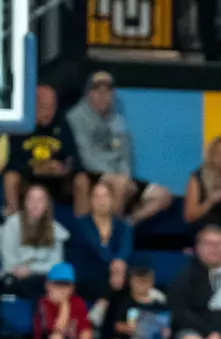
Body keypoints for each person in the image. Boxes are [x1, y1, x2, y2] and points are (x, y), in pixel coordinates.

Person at [67, 72, 172, 225]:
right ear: (89, 93)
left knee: (163, 195)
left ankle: (126, 225)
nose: (103, 96)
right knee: (120, 183)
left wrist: (126, 178)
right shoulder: (76, 117)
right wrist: (114, 177)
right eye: (98, 91)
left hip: (117, 176)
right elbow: (86, 156)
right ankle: (109, 234)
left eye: (107, 92)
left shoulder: (118, 120)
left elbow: (125, 156)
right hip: (91, 173)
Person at [4, 84, 90, 216]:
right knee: (10, 178)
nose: (49, 113)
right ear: (33, 105)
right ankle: (13, 222)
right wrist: (36, 168)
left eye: (52, 107)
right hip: (28, 178)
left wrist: (64, 169)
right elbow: (13, 163)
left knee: (82, 179)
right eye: (44, 107)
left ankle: (82, 227)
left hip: (57, 180)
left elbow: (73, 158)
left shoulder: (61, 123)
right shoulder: (21, 125)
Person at [1, 184, 70, 297]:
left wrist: (31, 269)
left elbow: (57, 263)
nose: (35, 204)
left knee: (54, 283)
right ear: (25, 202)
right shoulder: (12, 224)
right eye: (31, 199)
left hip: (42, 278)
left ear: (47, 204)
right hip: (14, 276)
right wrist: (22, 270)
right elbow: (9, 261)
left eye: (40, 200)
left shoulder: (55, 229)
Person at [100, 266, 172, 339]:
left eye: (145, 282)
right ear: (131, 282)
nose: (141, 286)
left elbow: (168, 326)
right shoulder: (121, 303)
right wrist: (124, 327)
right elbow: (111, 326)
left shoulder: (160, 305)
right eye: (138, 282)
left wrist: (166, 333)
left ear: (151, 282)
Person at [74, 179, 133, 305]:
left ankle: (103, 309)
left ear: (112, 199)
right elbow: (96, 247)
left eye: (105, 196)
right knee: (111, 278)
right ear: (90, 200)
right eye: (96, 196)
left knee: (126, 278)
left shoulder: (123, 226)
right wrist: (115, 265)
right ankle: (102, 304)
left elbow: (125, 248)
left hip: (114, 277)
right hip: (88, 275)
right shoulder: (81, 224)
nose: (101, 200)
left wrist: (119, 263)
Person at [34, 262, 93, 339]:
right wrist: (64, 304)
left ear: (72, 287)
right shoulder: (44, 303)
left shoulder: (77, 301)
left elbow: (85, 328)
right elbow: (58, 329)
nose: (62, 289)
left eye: (66, 284)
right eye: (57, 284)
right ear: (48, 285)